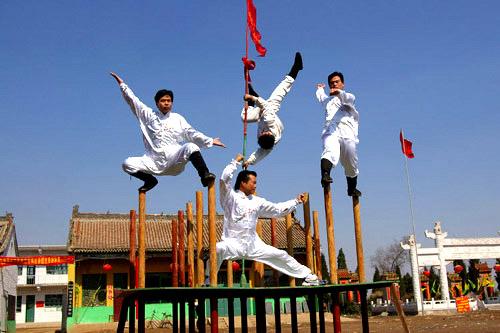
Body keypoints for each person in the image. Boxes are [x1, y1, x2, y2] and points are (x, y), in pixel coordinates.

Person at [214, 153, 320, 285]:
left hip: (253, 244)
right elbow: (224, 180)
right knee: (217, 249)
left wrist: (296, 201)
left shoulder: (257, 201)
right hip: (233, 243)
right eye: (253, 182)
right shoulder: (230, 197)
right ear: (243, 182)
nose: (255, 186)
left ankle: (309, 276)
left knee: (280, 255)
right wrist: (235, 162)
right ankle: (207, 280)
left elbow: (277, 210)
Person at [110, 72, 225, 191]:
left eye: (169, 100)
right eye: (163, 100)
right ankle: (150, 180)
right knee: (127, 164)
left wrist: (210, 141)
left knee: (191, 146)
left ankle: (204, 175)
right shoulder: (148, 115)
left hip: (174, 160)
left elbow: (192, 133)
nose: (166, 103)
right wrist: (122, 85)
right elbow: (133, 101)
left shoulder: (177, 118)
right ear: (157, 103)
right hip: (153, 161)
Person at [241, 52, 303, 167]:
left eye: (261, 134)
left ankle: (252, 100)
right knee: (281, 89)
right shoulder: (270, 122)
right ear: (270, 133)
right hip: (270, 110)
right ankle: (297, 68)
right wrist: (252, 98)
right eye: (265, 132)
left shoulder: (266, 145)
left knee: (244, 118)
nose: (262, 132)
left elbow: (259, 154)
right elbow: (266, 106)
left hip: (261, 115)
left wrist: (249, 161)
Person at [316, 71, 361, 196]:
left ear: (343, 84)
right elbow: (321, 97)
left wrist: (338, 93)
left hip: (347, 134)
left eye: (337, 82)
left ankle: (352, 188)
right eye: (331, 83)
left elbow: (348, 97)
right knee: (330, 150)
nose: (334, 84)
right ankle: (325, 175)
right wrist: (320, 89)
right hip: (331, 131)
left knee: (351, 162)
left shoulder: (348, 98)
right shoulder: (328, 101)